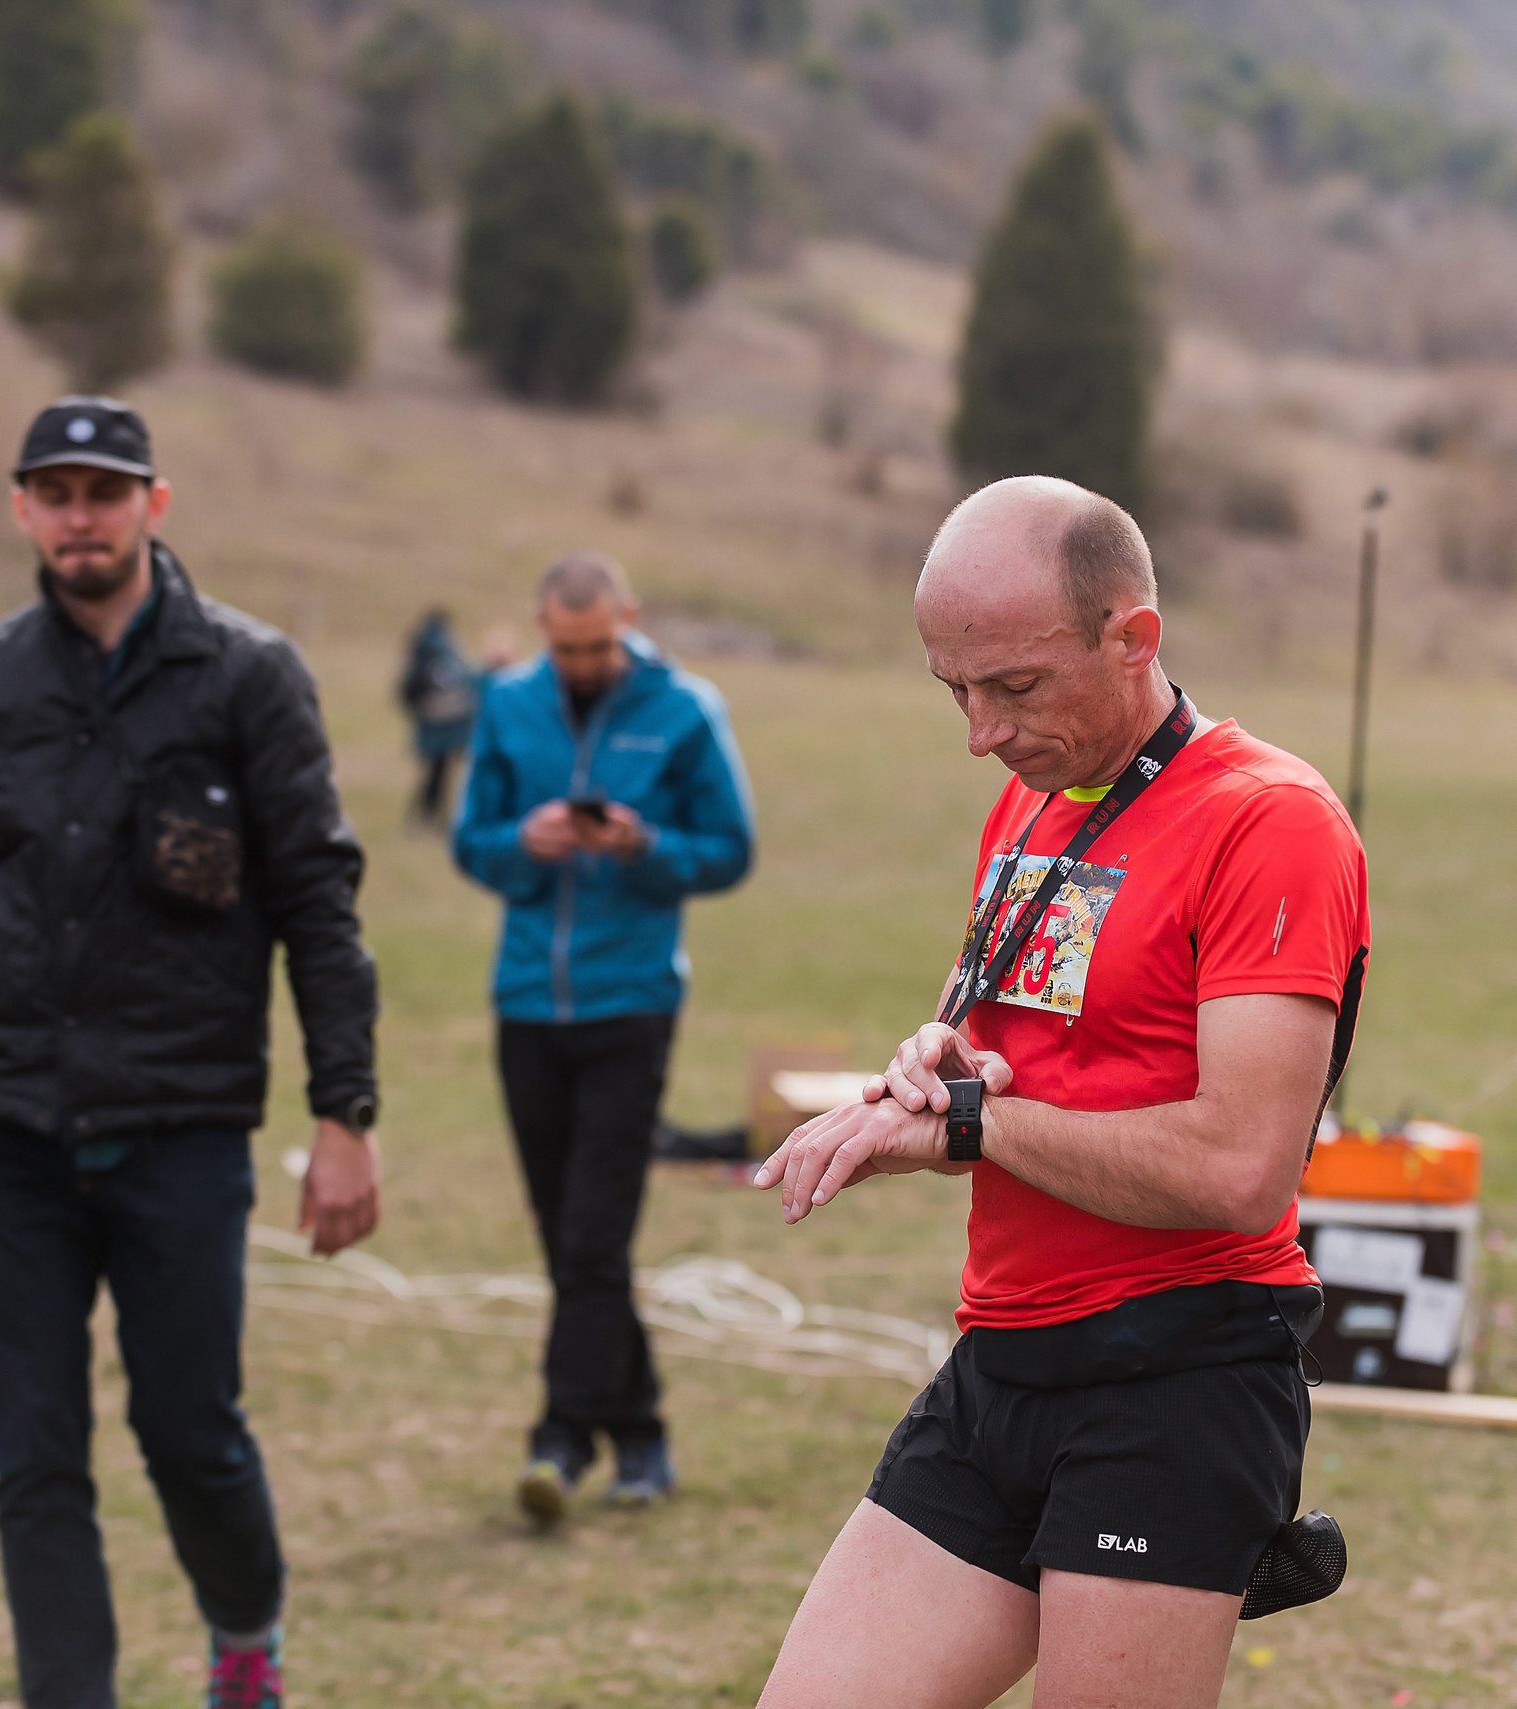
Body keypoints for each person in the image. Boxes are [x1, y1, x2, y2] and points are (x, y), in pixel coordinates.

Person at [751, 477, 1368, 1709]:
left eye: (1015, 686)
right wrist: (935, 1083)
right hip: (1002, 1363)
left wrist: (975, 1121)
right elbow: (1015, 1077)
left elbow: (1241, 1169)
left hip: (1175, 1380)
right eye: (955, 691)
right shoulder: (1035, 796)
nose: (981, 732)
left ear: (1132, 635)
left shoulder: (1270, 821)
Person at [0, 397, 382, 1709]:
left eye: (105, 492)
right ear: (22, 508)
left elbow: (318, 905)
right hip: (0, 1128)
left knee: (190, 1433)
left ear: (152, 505)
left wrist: (344, 1112)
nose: (81, 516)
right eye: (56, 493)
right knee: (33, 1457)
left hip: (181, 1126)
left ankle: (244, 1636)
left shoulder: (249, 674)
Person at [453, 552, 754, 1524]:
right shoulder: (507, 703)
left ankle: (560, 1436)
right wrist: (521, 842)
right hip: (525, 1004)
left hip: (631, 1005)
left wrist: (640, 844)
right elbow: (471, 839)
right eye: (564, 647)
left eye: (596, 645)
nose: (581, 663)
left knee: (591, 1235)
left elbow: (730, 850)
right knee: (568, 1237)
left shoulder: (686, 710)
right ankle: (641, 1432)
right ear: (542, 629)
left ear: (627, 616)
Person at [399, 608, 476, 828]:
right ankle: (435, 816)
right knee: (443, 772)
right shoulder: (442, 648)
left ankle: (427, 815)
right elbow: (457, 678)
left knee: (434, 772)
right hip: (448, 722)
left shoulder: (420, 647)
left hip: (429, 718)